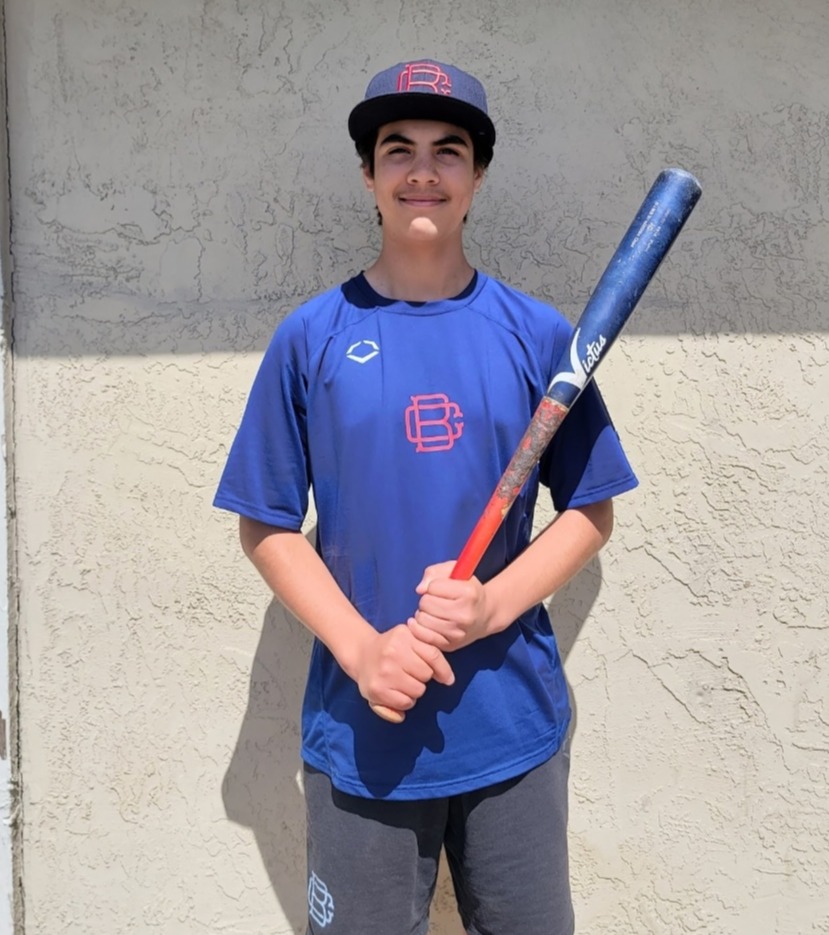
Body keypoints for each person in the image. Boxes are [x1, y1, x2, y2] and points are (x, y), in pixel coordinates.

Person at [214, 58, 638, 935]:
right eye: (397, 149)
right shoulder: (312, 337)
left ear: (476, 178)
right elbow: (267, 524)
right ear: (368, 175)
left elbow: (589, 511)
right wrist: (362, 649)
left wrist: (489, 606)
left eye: (448, 150)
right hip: (362, 728)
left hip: (511, 728)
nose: (422, 170)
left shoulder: (538, 336)